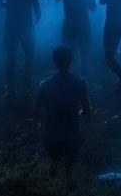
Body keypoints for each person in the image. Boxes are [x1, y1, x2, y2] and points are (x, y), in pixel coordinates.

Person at [35, 45, 92, 177]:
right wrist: (83, 119)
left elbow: (37, 111)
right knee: (69, 167)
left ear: (54, 61)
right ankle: (68, 177)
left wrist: (41, 125)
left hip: (51, 135)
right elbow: (87, 110)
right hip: (72, 134)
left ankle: (54, 175)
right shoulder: (80, 83)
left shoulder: (44, 84)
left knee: (54, 162)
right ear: (71, 60)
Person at [0, 0, 41, 95]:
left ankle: (10, 86)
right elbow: (37, 9)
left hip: (11, 25)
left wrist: (11, 5)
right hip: (27, 25)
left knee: (11, 56)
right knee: (29, 55)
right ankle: (27, 83)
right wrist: (36, 24)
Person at [54, 0, 97, 79]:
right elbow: (93, 8)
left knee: (67, 50)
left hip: (69, 22)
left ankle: (67, 76)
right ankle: (83, 77)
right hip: (83, 21)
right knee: (84, 50)